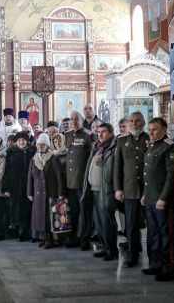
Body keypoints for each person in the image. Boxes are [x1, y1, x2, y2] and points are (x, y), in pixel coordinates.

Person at [141, 117, 174, 282]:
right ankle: (155, 264)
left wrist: (163, 198)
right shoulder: (151, 146)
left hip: (162, 201)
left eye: (154, 129)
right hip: (150, 198)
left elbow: (171, 176)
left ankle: (169, 268)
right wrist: (145, 194)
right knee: (153, 233)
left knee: (166, 234)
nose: (151, 132)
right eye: (149, 129)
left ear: (164, 129)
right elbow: (147, 175)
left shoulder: (169, 148)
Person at [114, 111, 149, 268]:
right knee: (131, 224)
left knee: (151, 225)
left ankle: (154, 257)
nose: (135, 123)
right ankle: (133, 254)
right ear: (128, 123)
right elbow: (118, 168)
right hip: (129, 189)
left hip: (148, 190)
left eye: (138, 121)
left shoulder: (149, 139)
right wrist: (118, 189)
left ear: (143, 122)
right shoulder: (121, 141)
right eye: (132, 121)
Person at [81, 123, 118, 261]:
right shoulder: (97, 146)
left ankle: (112, 250)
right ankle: (104, 246)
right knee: (98, 222)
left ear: (111, 132)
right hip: (94, 189)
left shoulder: (114, 147)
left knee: (107, 221)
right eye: (98, 132)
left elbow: (114, 169)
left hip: (106, 190)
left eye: (103, 132)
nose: (100, 134)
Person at [27, 133, 64, 248]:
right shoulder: (34, 159)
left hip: (50, 192)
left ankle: (51, 240)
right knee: (40, 217)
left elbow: (59, 177)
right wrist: (29, 192)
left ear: (47, 146)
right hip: (38, 193)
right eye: (39, 145)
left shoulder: (53, 158)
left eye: (43, 145)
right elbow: (30, 177)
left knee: (50, 218)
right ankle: (44, 238)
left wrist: (60, 193)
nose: (40, 147)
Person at [63, 111, 93, 249]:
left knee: (85, 212)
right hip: (70, 182)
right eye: (72, 119)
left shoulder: (88, 135)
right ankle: (73, 237)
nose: (74, 121)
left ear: (82, 120)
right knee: (73, 211)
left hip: (82, 181)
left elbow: (91, 158)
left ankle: (85, 239)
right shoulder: (67, 135)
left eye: (76, 119)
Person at [3, 131, 36, 241]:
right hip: (15, 185)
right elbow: (6, 171)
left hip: (28, 184)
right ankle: (17, 230)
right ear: (16, 142)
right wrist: (6, 187)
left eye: (23, 140)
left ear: (27, 141)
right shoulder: (11, 152)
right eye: (19, 140)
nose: (21, 142)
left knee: (27, 208)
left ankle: (26, 231)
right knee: (15, 209)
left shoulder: (32, 151)